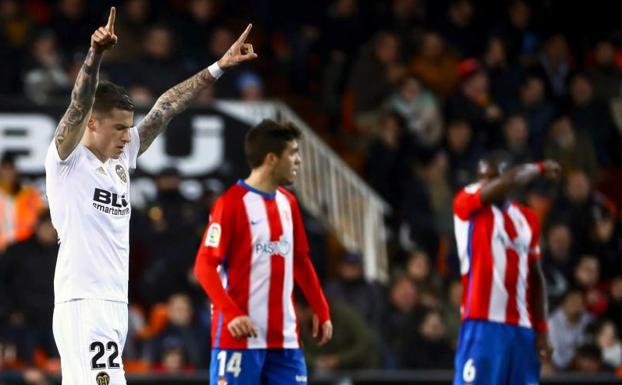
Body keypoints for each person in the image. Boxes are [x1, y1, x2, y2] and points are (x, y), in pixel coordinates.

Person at [44, 7, 257, 385]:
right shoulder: (66, 160)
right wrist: (95, 55)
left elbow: (167, 107)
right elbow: (78, 105)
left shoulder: (121, 158)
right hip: (83, 302)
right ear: (92, 124)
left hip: (113, 304)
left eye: (130, 127)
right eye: (120, 128)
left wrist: (219, 67)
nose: (129, 136)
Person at [193, 119, 332, 385]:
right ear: (271, 159)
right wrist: (231, 313)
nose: (298, 161)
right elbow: (204, 266)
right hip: (239, 339)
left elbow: (300, 260)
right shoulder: (231, 204)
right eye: (292, 153)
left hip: (286, 340)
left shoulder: (288, 203)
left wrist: (321, 309)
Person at [452, 151, 560, 385]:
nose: (485, 183)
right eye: (482, 177)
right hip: (482, 324)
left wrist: (541, 329)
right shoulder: (467, 204)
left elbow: (535, 275)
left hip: (522, 328)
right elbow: (510, 180)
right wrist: (540, 167)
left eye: (493, 178)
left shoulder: (527, 218)